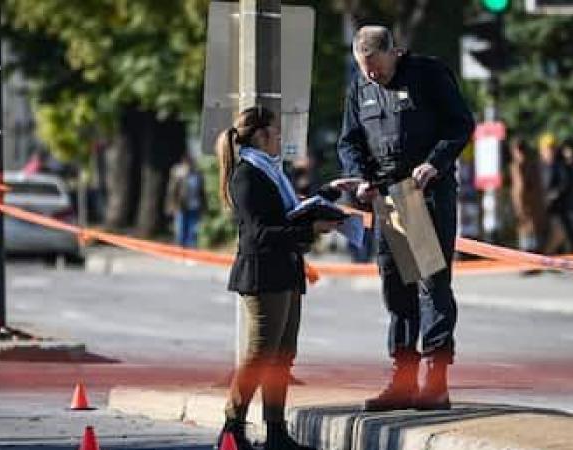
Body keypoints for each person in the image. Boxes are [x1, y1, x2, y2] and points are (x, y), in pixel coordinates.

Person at [334, 25, 475, 411]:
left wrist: (435, 163)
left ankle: (435, 379)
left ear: (394, 52)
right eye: (365, 69)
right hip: (387, 197)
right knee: (396, 288)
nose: (372, 76)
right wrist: (360, 177)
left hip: (423, 193)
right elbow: (349, 141)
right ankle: (403, 377)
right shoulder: (359, 86)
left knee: (431, 284)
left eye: (377, 68)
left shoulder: (428, 74)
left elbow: (460, 124)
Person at [215, 106, 337, 450]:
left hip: (286, 270)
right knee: (260, 354)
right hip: (263, 274)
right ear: (259, 134)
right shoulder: (247, 175)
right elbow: (259, 233)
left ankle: (276, 432)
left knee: (282, 354)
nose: (281, 138)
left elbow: (287, 213)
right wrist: (309, 226)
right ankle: (232, 428)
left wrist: (326, 197)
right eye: (276, 131)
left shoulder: (271, 171)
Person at [509, 138, 546, 252]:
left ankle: (528, 262)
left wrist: (519, 207)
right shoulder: (533, 164)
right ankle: (533, 259)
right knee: (533, 233)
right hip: (534, 205)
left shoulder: (518, 166)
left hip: (526, 206)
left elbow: (520, 188)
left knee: (526, 233)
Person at [166, 153, 207, 248]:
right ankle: (180, 251)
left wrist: (204, 207)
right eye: (187, 163)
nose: (189, 165)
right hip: (181, 207)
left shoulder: (197, 175)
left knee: (193, 231)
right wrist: (171, 206)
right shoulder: (178, 175)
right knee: (180, 230)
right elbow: (172, 191)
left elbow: (202, 192)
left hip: (195, 207)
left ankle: (191, 252)